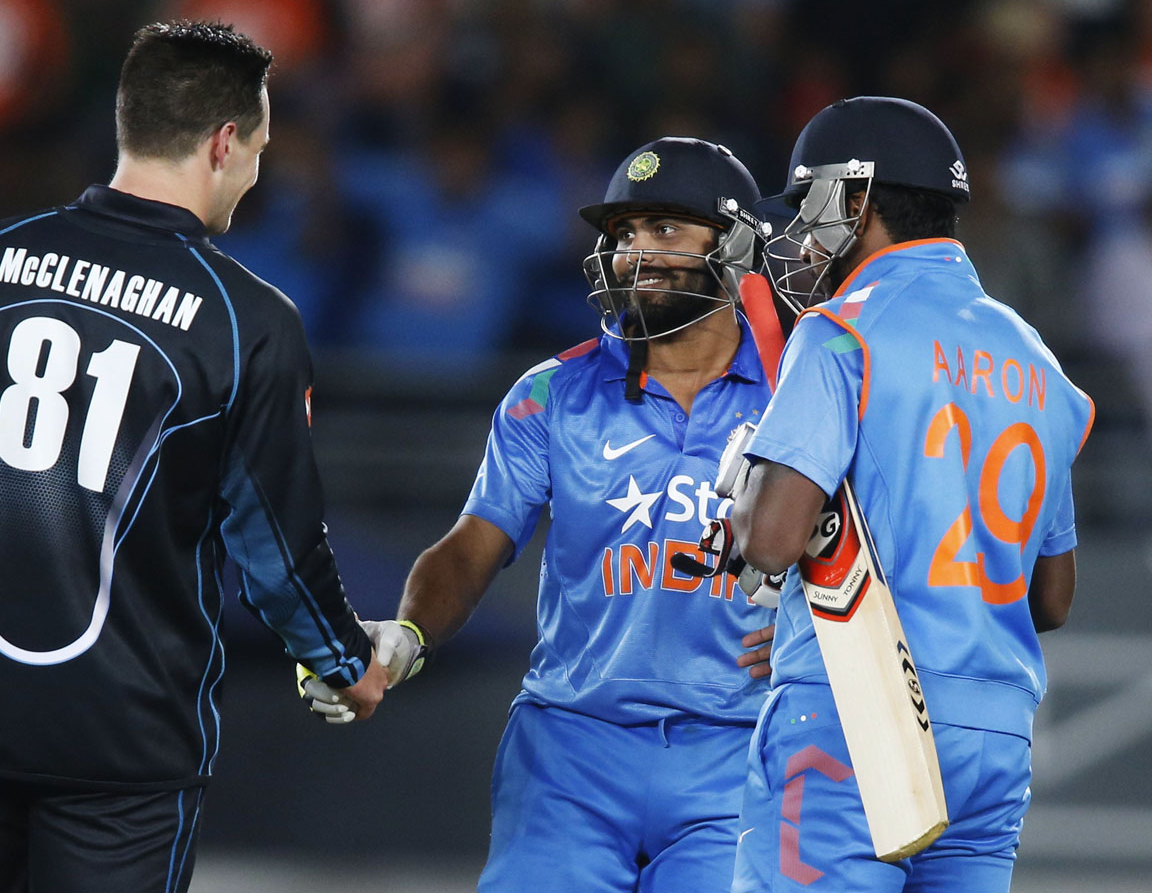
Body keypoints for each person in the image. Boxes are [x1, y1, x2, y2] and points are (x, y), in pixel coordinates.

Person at [0, 21, 387, 893]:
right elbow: (277, 547)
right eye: (259, 148)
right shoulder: (246, 322)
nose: (259, 170)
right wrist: (348, 663)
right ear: (224, 143)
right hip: (121, 752)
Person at [304, 137, 779, 891]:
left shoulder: (801, 390)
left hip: (743, 751)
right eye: (624, 233)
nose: (635, 252)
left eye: (665, 229)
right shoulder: (550, 393)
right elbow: (472, 543)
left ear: (741, 247)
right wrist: (407, 633)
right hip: (570, 751)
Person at [727, 96, 1094, 892]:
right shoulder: (1037, 362)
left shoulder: (840, 328)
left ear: (855, 201)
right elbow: (1053, 596)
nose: (800, 230)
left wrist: (747, 498)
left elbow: (771, 540)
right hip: (993, 735)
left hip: (855, 715)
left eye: (809, 203)